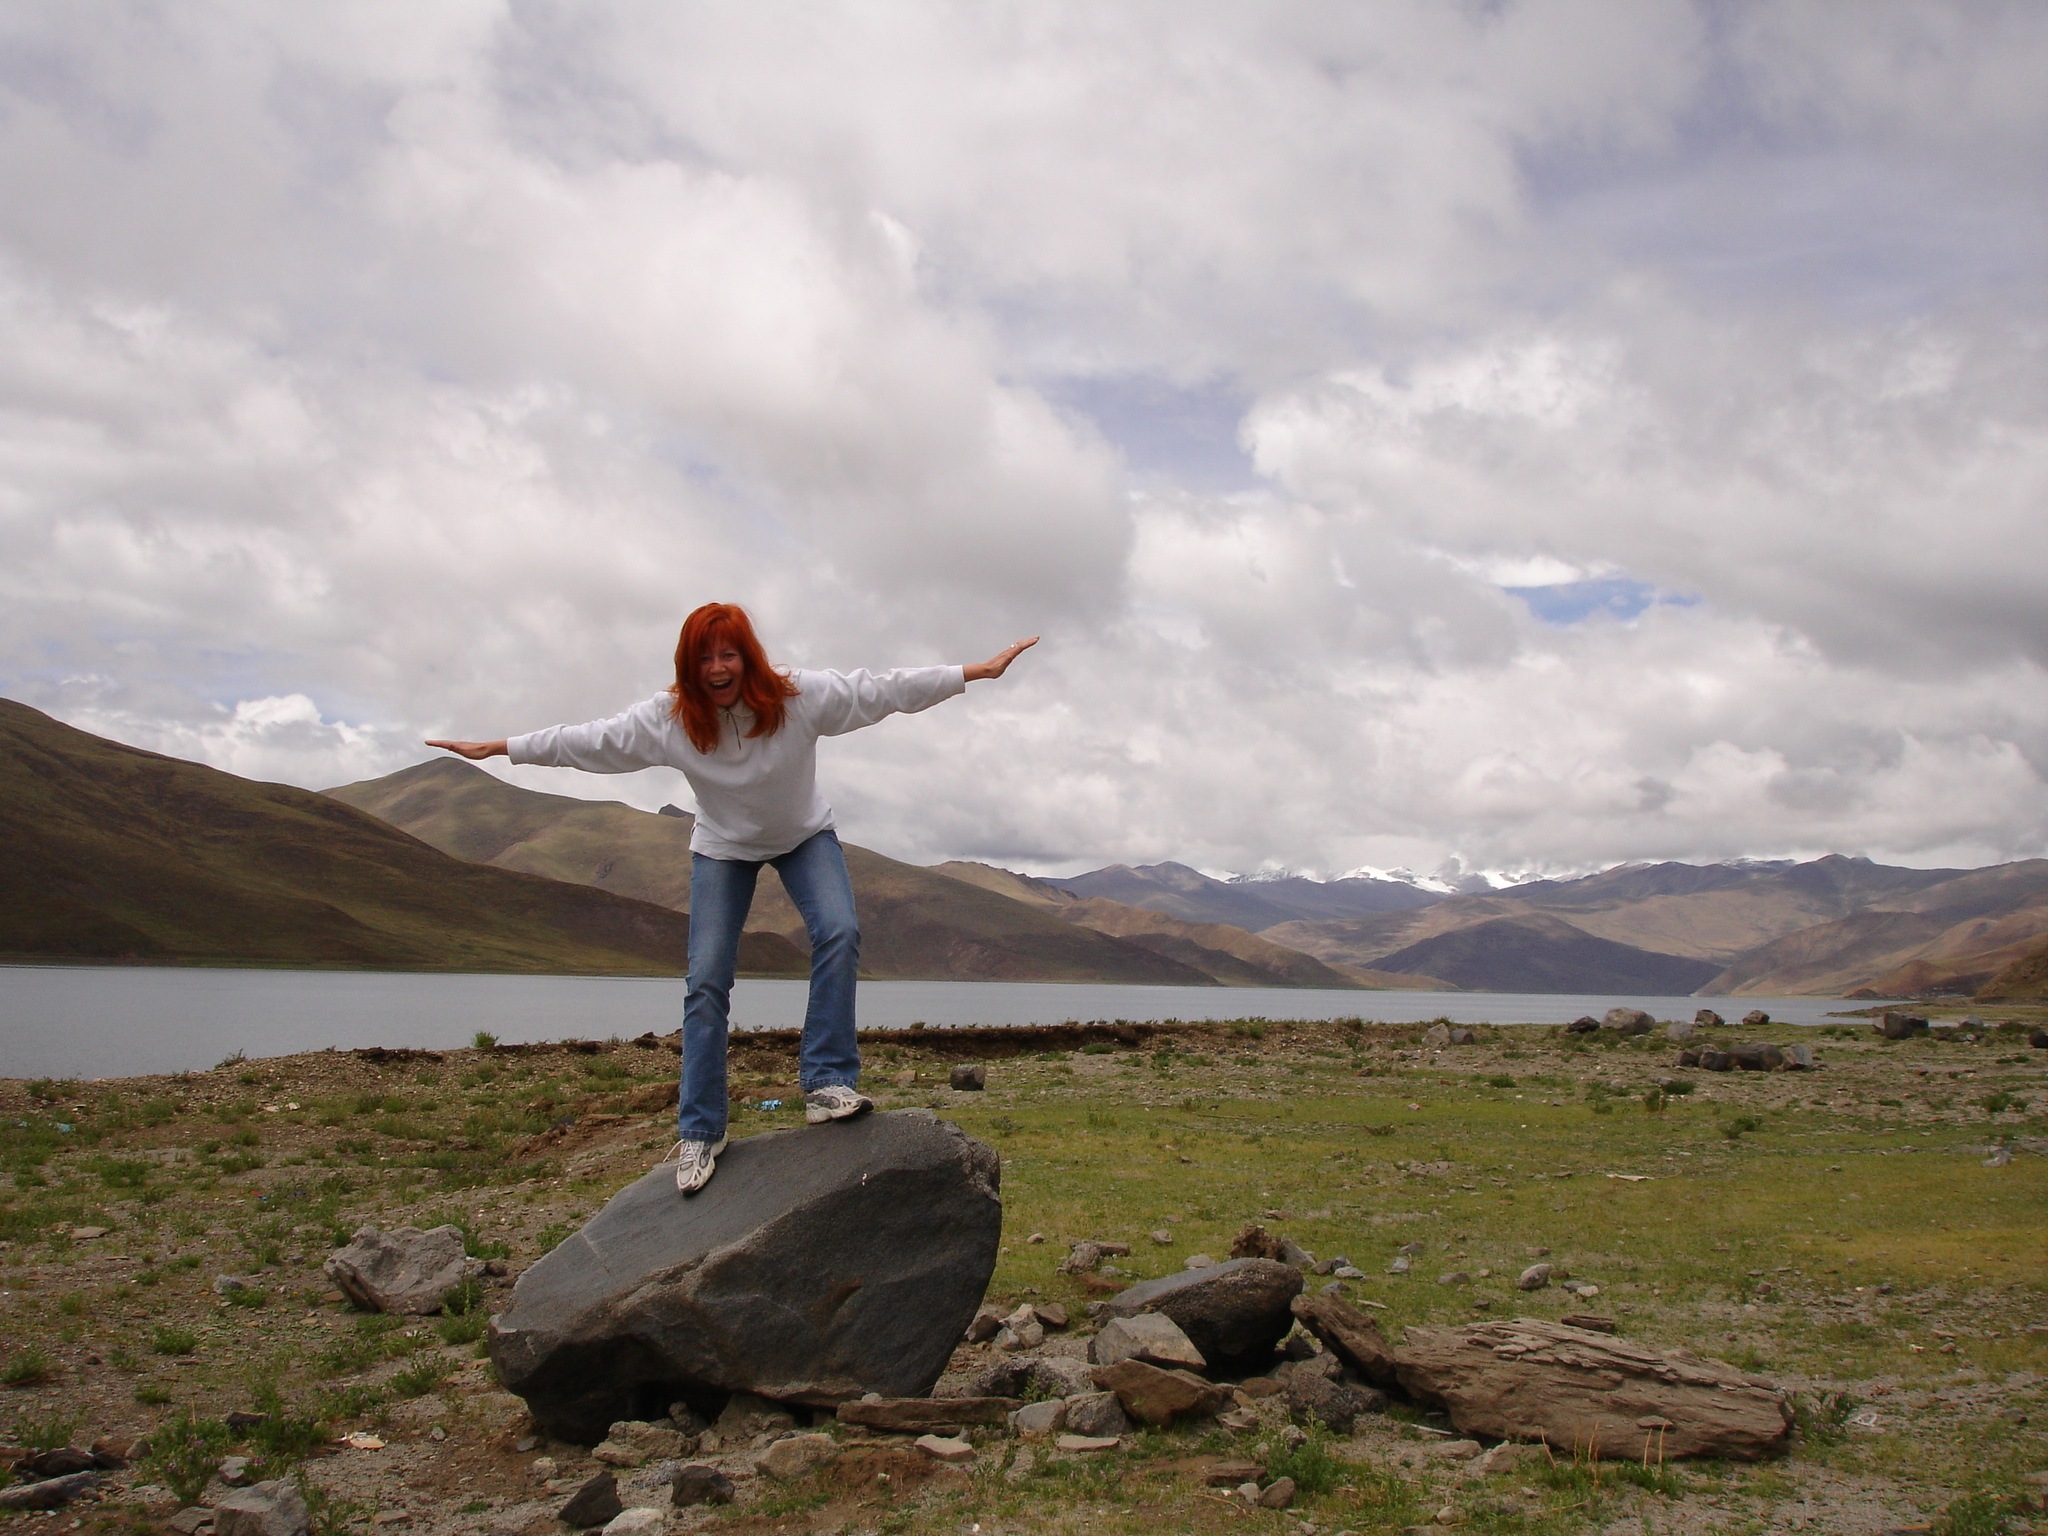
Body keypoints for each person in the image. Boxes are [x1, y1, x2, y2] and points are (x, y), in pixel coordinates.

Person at [428, 602, 1036, 1193]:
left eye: (728, 655)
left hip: (803, 836)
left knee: (840, 931)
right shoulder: (670, 719)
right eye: (703, 659)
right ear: (688, 668)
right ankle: (701, 1130)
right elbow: (590, 741)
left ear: (748, 658)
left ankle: (826, 1082)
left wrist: (971, 673)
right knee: (707, 979)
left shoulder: (797, 697)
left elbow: (879, 690)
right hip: (723, 847)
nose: (717, 669)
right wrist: (503, 747)